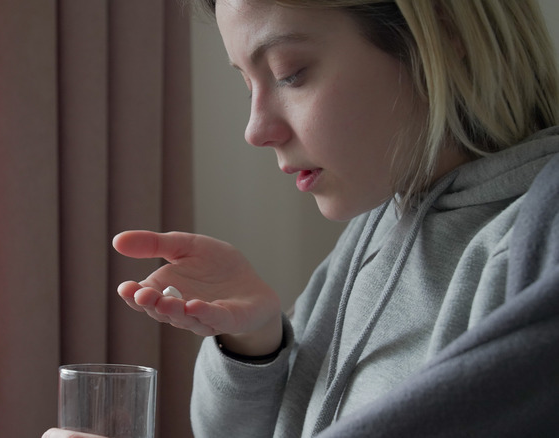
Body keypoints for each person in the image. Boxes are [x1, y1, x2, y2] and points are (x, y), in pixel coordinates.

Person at [45, 0, 559, 436]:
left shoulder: (536, 240)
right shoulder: (376, 230)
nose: (255, 130)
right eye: (248, 84)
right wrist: (254, 344)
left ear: (441, 40)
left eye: (290, 72)